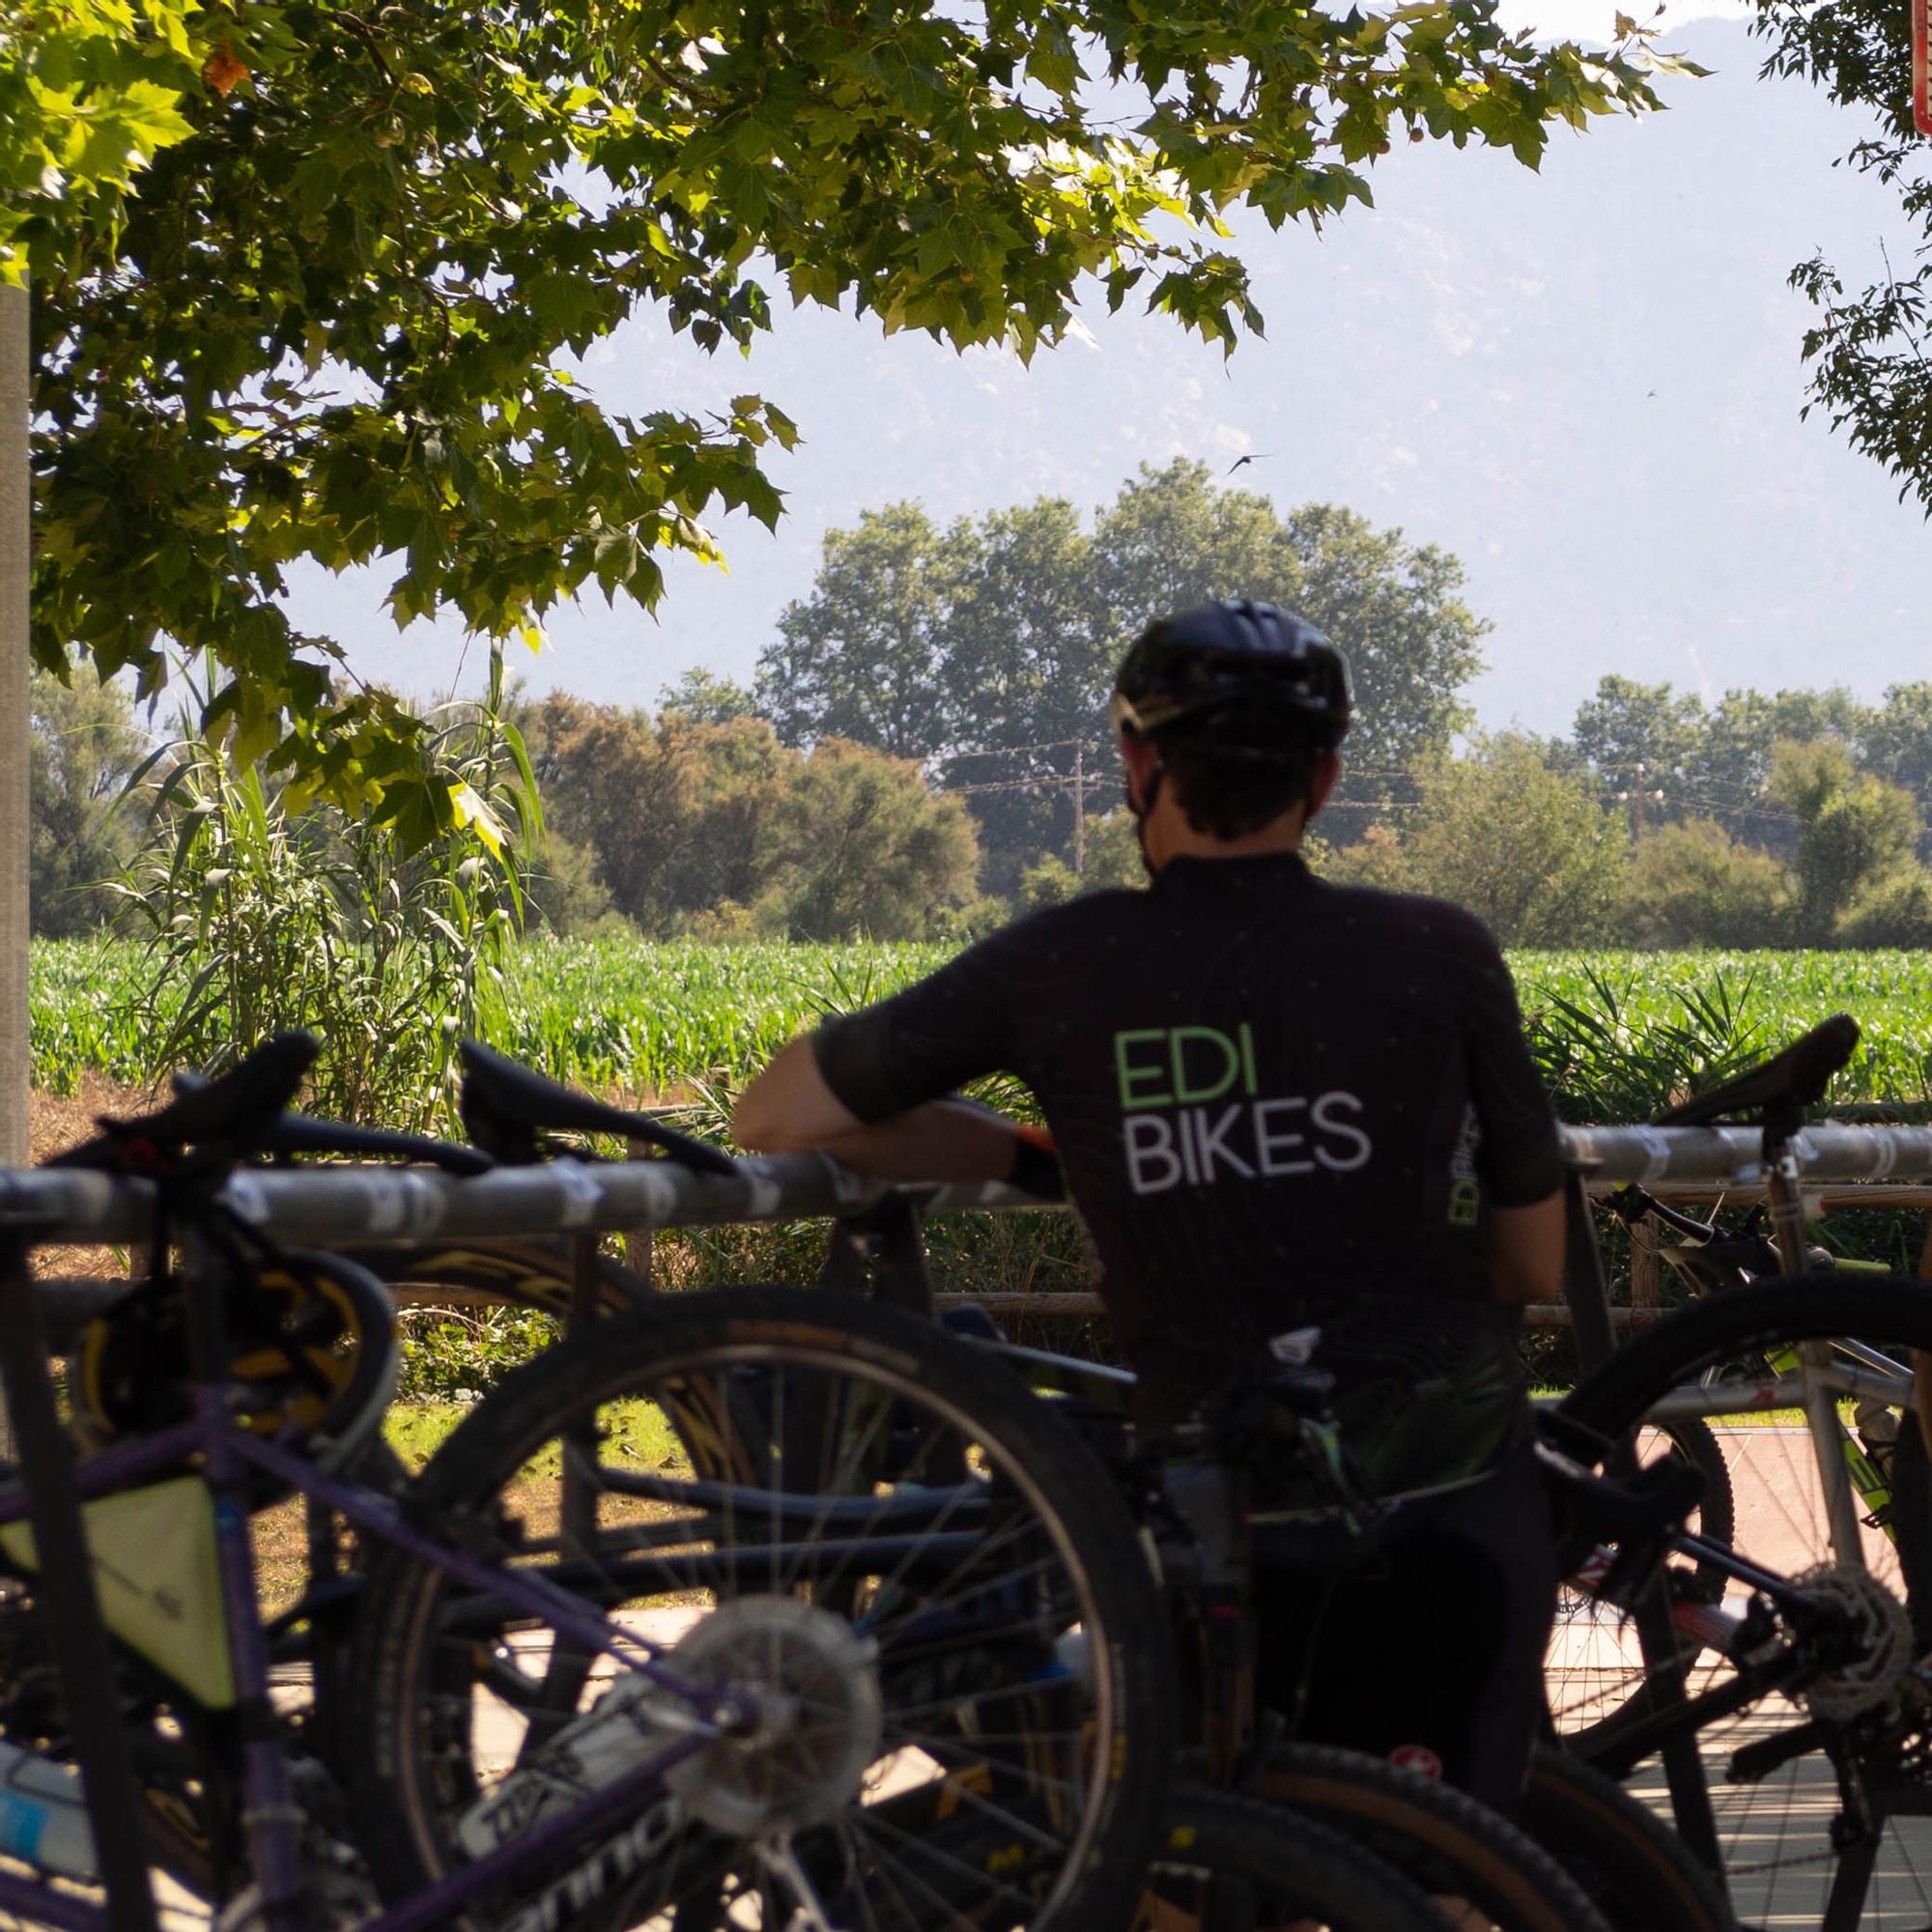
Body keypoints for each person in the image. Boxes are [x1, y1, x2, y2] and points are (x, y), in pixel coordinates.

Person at [731, 598, 1568, 1815]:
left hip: (1213, 1528)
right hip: (1450, 1510)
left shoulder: (1058, 963)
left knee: (1191, 1867)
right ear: (1324, 777)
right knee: (1436, 1872)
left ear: (1134, 762)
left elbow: (775, 1112)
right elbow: (1529, 1265)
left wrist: (1056, 1150)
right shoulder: (1439, 948)